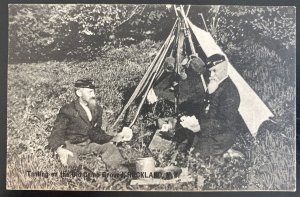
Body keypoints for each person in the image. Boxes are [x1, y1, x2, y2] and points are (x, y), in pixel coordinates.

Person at [48, 78, 132, 170]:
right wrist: (59, 149)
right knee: (71, 160)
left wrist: (113, 138)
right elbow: (57, 133)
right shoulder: (68, 110)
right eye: (90, 92)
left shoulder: (97, 110)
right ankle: (83, 176)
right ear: (79, 93)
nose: (94, 95)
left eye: (94, 92)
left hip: (89, 144)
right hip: (72, 145)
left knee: (110, 148)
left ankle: (120, 169)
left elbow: (96, 133)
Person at [176, 54, 241, 156]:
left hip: (221, 136)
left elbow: (225, 122)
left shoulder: (230, 92)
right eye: (210, 71)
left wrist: (200, 127)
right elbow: (207, 108)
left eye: (215, 71)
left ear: (225, 69)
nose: (211, 75)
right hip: (207, 131)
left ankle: (227, 153)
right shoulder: (215, 84)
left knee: (194, 157)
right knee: (180, 145)